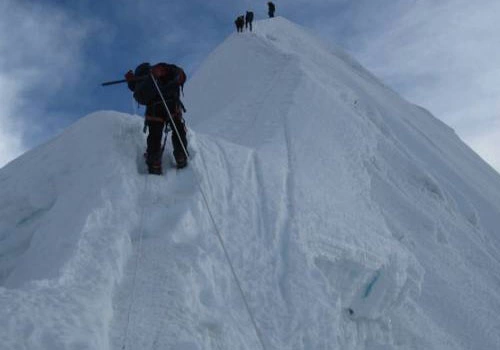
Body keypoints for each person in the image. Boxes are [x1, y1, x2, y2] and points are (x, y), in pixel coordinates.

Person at [125, 62, 188, 175]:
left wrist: (131, 81)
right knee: (178, 128)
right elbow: (180, 76)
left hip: (154, 111)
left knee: (155, 134)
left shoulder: (142, 81)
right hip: (172, 106)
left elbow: (139, 95)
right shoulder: (164, 69)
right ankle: (181, 156)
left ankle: (154, 162)